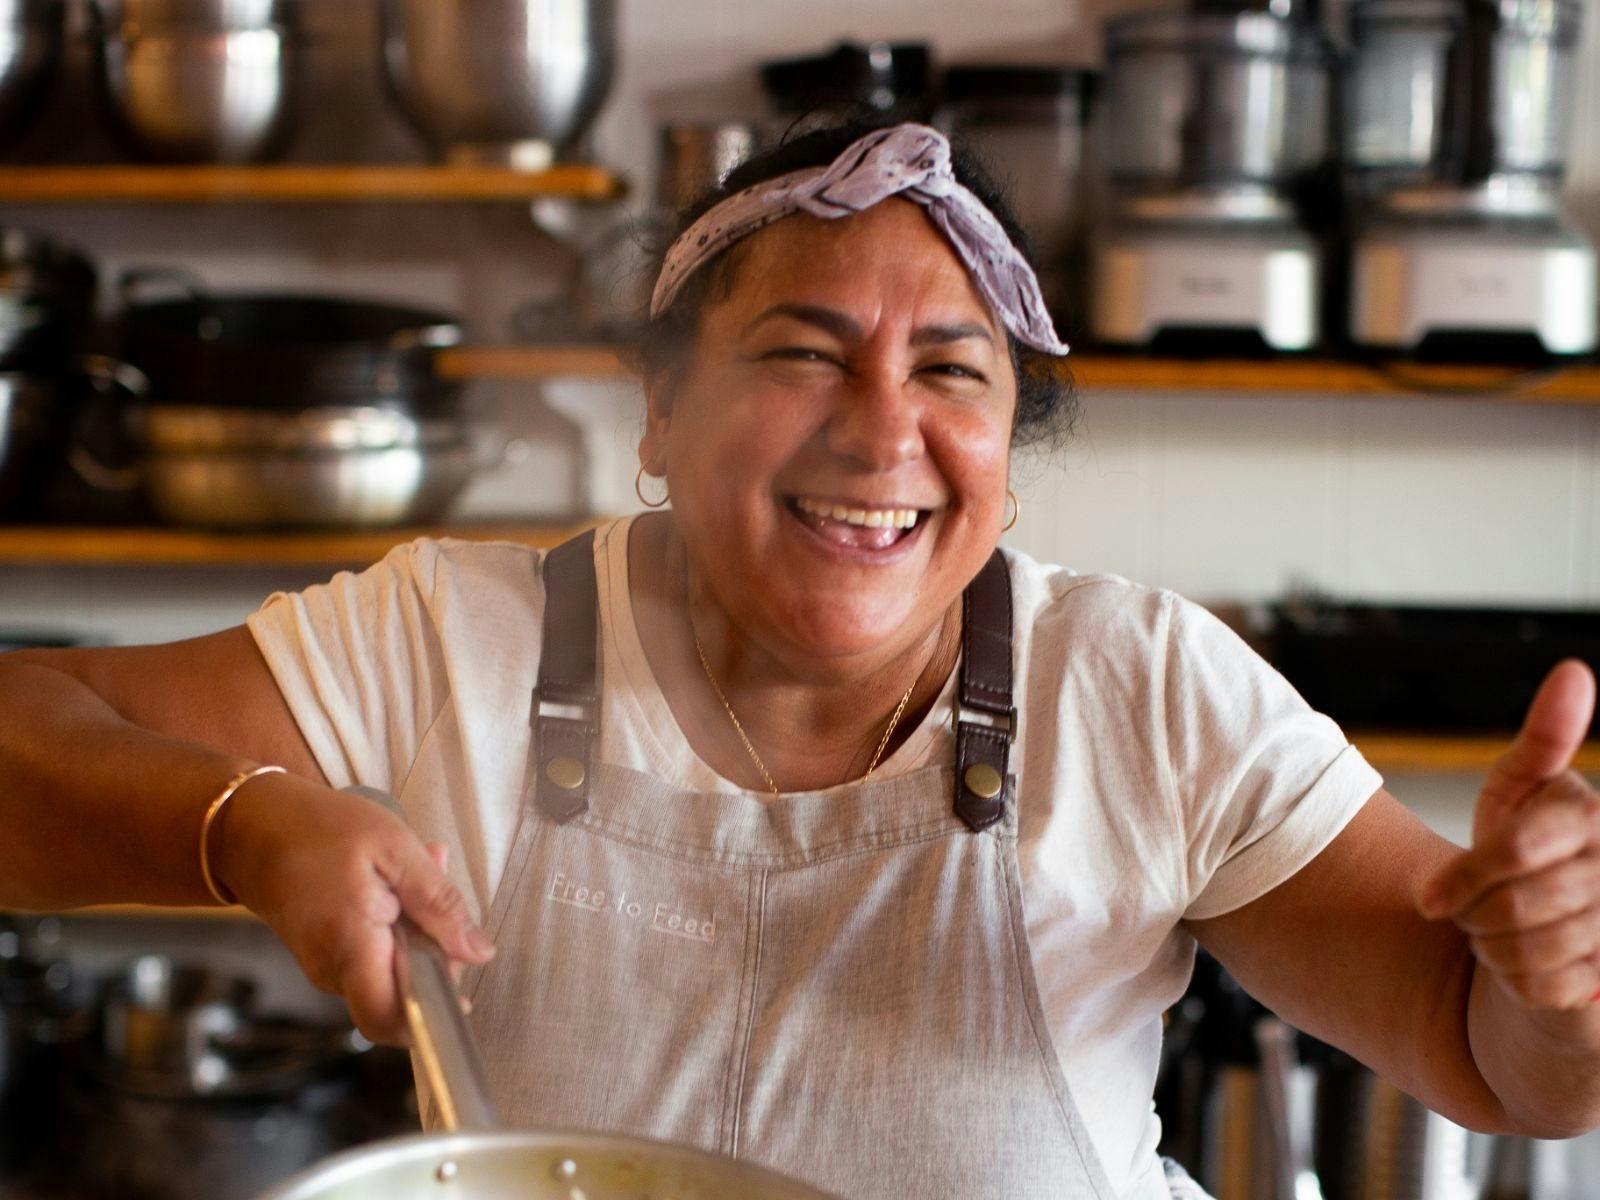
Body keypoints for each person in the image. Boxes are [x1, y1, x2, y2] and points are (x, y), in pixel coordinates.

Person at [3, 122, 1599, 1199]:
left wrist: (1562, 973)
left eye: (951, 372)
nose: (882, 430)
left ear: (1004, 450)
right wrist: (244, 822)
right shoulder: (448, 637)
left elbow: (1491, 1054)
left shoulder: (1137, 687)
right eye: (800, 352)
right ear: (659, 410)